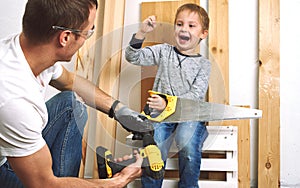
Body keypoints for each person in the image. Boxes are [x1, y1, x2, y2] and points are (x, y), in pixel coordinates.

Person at [0, 0, 150, 187]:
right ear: (65, 38)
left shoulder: (26, 50)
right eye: (89, 31)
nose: (88, 36)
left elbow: (71, 82)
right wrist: (118, 181)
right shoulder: (13, 99)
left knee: (71, 103)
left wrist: (118, 110)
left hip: (12, 146)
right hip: (6, 168)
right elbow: (42, 184)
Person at [125, 3, 211, 188]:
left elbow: (195, 95)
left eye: (191, 25)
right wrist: (141, 33)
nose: (183, 29)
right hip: (161, 117)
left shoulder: (204, 65)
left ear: (203, 33)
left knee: (186, 144)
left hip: (189, 116)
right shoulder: (164, 51)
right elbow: (133, 57)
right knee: (154, 147)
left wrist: (167, 103)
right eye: (179, 24)